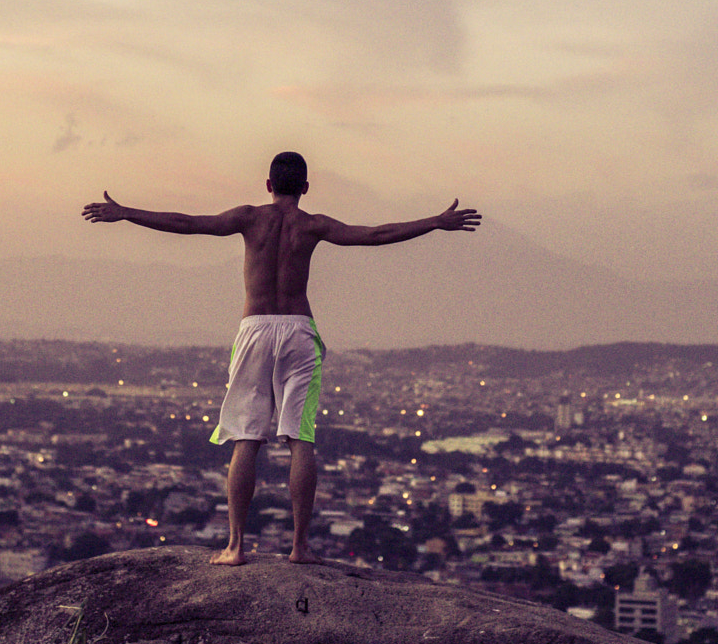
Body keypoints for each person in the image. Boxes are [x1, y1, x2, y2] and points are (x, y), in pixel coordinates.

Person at [82, 151, 480, 565]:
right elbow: (375, 234)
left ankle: (235, 547)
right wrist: (434, 221)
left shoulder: (249, 217)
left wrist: (125, 212)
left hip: (254, 329)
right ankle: (299, 547)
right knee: (300, 437)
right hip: (298, 331)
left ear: (268, 186)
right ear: (305, 188)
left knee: (246, 438)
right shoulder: (313, 225)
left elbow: (187, 223)